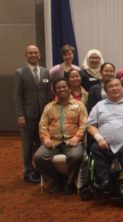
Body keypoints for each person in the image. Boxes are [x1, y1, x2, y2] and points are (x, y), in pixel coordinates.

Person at [33, 78, 88, 194]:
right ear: (54, 91)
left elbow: (84, 124)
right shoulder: (49, 107)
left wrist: (77, 137)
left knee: (76, 156)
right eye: (58, 87)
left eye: (64, 86)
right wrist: (46, 138)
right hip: (53, 141)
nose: (62, 89)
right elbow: (42, 125)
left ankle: (70, 182)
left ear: (69, 89)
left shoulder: (79, 105)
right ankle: (57, 179)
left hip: (72, 141)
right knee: (38, 157)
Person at [14, 45, 52, 183]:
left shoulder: (45, 72)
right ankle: (28, 171)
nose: (33, 55)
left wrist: (49, 114)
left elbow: (48, 94)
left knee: (39, 143)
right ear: (26, 55)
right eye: (30, 53)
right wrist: (20, 115)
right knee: (27, 144)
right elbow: (17, 97)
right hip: (27, 116)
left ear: (39, 55)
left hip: (43, 115)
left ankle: (38, 170)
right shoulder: (20, 73)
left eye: (36, 52)